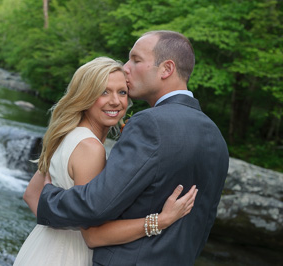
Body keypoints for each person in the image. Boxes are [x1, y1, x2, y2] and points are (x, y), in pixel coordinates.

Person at [36, 31, 229, 265]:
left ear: (166, 69)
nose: (126, 68)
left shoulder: (151, 124)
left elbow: (96, 205)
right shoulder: (217, 137)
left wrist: (49, 197)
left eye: (136, 60)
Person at [13, 57, 197, 266]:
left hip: (40, 249)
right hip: (67, 257)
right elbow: (93, 236)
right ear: (86, 96)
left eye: (122, 92)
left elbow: (31, 195)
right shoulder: (91, 149)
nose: (115, 101)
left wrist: (58, 228)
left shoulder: (65, 134)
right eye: (104, 92)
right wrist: (160, 221)